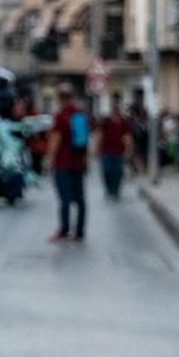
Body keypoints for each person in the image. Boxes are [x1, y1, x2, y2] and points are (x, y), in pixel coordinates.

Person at [46, 84, 90, 243]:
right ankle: (79, 232)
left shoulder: (60, 117)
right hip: (78, 163)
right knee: (80, 199)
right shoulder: (81, 114)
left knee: (64, 198)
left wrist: (48, 159)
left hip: (63, 163)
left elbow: (55, 140)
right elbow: (85, 140)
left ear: (59, 98)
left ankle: (64, 230)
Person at [96, 94, 132, 201]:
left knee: (118, 172)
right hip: (106, 151)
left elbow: (127, 136)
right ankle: (108, 188)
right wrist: (97, 147)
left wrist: (128, 149)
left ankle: (116, 190)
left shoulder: (124, 121)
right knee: (106, 171)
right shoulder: (105, 120)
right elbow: (100, 134)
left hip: (118, 151)